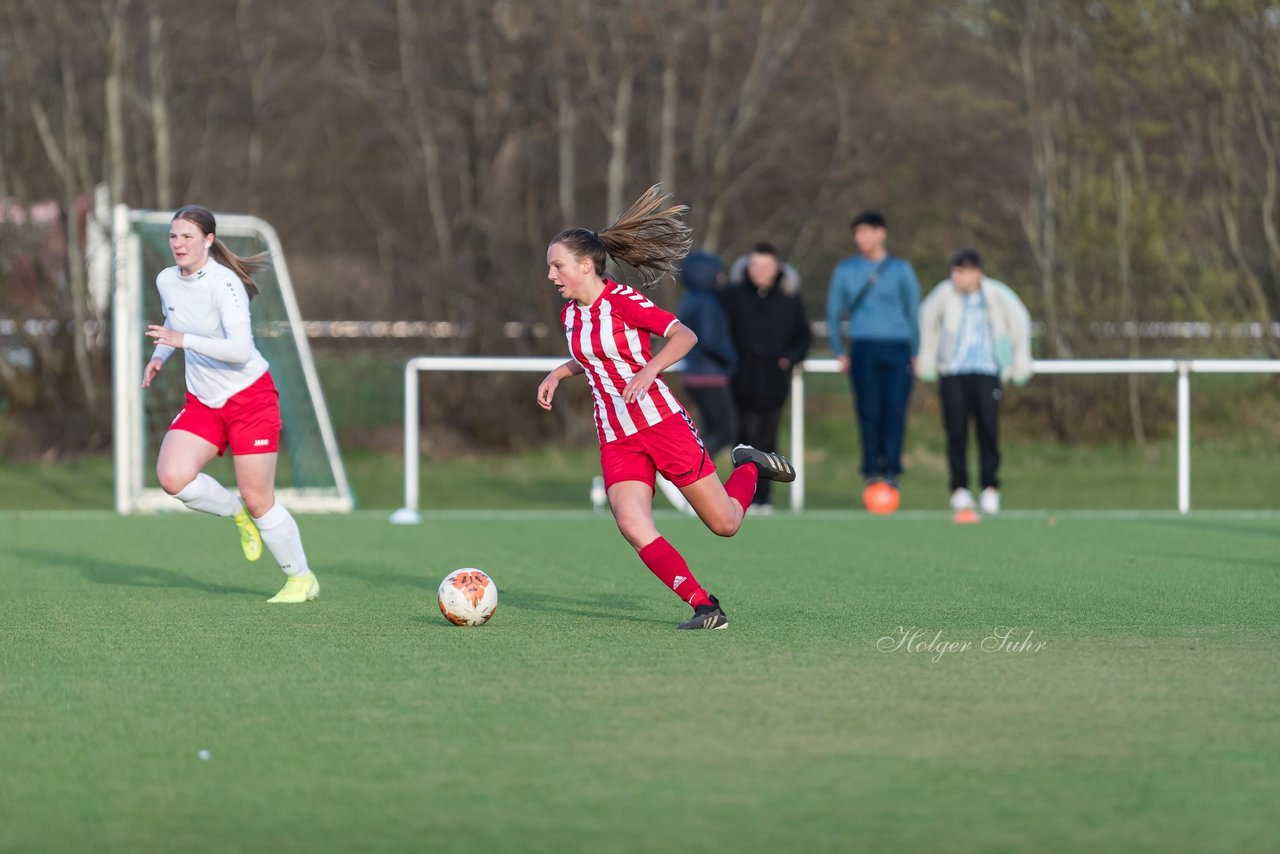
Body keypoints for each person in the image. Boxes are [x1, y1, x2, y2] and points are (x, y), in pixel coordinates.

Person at [536, 185, 796, 630]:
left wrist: (650, 369)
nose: (551, 275)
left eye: (557, 266)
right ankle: (704, 606)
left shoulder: (623, 301)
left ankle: (750, 465)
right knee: (632, 524)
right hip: (616, 437)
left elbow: (684, 336)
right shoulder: (570, 316)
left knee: (726, 524)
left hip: (661, 424)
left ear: (584, 265)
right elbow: (594, 355)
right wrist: (560, 373)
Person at [142, 205, 318, 603]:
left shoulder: (225, 285)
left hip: (250, 399)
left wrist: (182, 343)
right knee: (172, 477)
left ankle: (301, 579)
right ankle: (234, 512)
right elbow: (175, 324)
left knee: (260, 499)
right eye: (173, 236)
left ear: (208, 240)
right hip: (203, 401)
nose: (178, 244)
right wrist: (159, 358)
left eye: (187, 236)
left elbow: (240, 351)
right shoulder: (166, 279)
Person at [917, 248, 1032, 514]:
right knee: (956, 433)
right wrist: (928, 359)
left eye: (962, 272)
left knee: (988, 432)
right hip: (954, 373)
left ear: (976, 273)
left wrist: (1019, 361)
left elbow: (1020, 322)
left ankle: (990, 488)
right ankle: (959, 489)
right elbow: (926, 319)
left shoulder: (997, 295)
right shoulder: (944, 294)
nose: (956, 277)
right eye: (954, 271)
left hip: (987, 372)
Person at [825, 210, 921, 490]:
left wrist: (916, 351)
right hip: (863, 348)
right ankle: (870, 470)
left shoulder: (901, 269)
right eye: (856, 233)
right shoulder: (845, 270)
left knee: (895, 410)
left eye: (865, 231)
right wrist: (838, 351)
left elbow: (913, 313)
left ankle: (892, 470)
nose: (860, 238)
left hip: (898, 348)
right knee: (868, 411)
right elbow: (832, 313)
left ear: (881, 233)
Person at [721, 242, 811, 513]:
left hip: (774, 381)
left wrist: (788, 359)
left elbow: (803, 336)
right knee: (743, 439)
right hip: (741, 379)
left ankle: (765, 498)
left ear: (777, 268)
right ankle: (741, 497)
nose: (760, 271)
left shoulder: (789, 297)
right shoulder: (733, 295)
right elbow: (721, 333)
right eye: (755, 265)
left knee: (768, 438)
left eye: (766, 266)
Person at [674, 250, 737, 459]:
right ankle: (689, 469)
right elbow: (710, 340)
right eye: (717, 272)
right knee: (724, 432)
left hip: (694, 373)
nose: (722, 277)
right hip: (710, 375)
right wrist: (731, 358)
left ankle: (698, 480)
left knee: (709, 432)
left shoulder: (689, 299)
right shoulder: (707, 302)